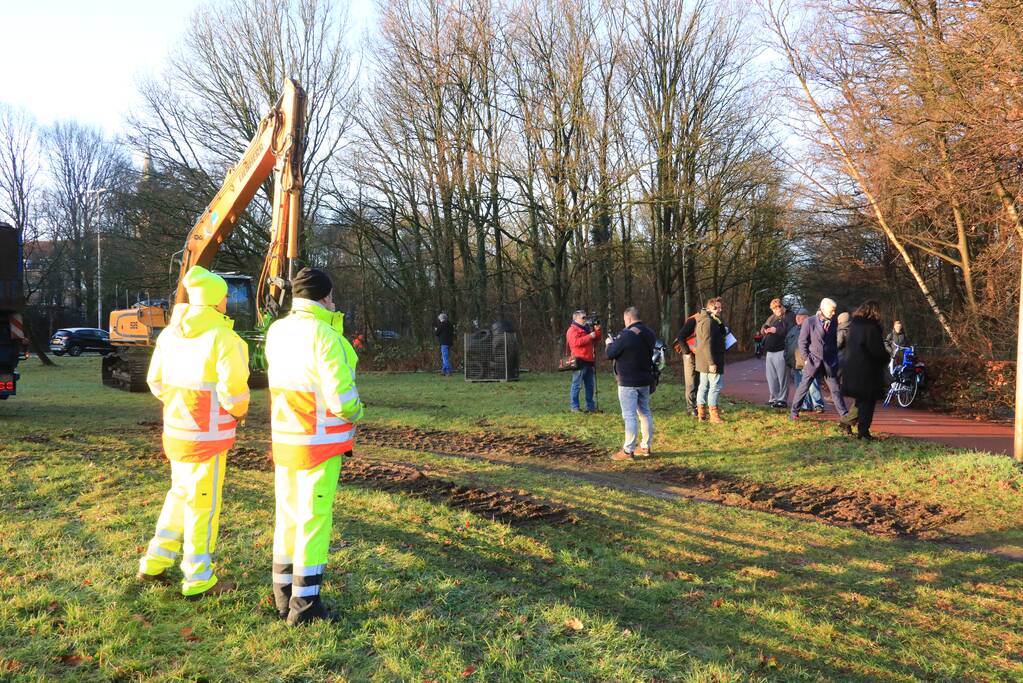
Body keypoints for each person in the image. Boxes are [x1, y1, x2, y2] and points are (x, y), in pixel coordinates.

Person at [138, 266, 250, 600]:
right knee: (203, 505)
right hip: (208, 438)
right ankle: (199, 578)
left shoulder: (170, 335)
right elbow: (235, 394)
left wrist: (180, 408)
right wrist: (237, 412)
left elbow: (155, 381)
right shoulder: (225, 339)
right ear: (218, 301)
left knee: (179, 495)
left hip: (177, 432)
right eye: (226, 296)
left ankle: (155, 562)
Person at [265, 267, 365, 625]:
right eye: (332, 295)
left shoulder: (276, 331)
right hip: (319, 445)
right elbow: (342, 400)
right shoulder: (326, 335)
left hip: (286, 440)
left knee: (287, 519)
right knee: (313, 522)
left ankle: (282, 598)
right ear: (324, 297)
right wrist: (358, 411)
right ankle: (305, 609)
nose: (334, 301)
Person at [605, 306, 656, 460]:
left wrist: (609, 343)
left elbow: (610, 353)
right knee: (645, 413)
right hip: (645, 379)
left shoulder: (626, 335)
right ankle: (645, 447)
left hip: (628, 381)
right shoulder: (650, 333)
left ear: (628, 319)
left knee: (629, 415)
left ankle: (628, 450)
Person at [790, 298, 852, 426]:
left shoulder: (834, 322)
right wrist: (806, 358)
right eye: (832, 311)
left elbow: (834, 342)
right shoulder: (809, 321)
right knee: (804, 387)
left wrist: (835, 358)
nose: (834, 313)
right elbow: (802, 342)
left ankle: (844, 415)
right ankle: (794, 411)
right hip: (813, 361)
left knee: (835, 389)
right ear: (822, 309)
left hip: (829, 362)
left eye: (834, 311)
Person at [841, 300, 889, 441]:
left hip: (852, 367)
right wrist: (886, 357)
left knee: (861, 400)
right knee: (868, 402)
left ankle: (847, 422)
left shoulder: (854, 325)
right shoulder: (871, 328)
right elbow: (877, 351)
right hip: (867, 370)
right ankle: (863, 432)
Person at [785, 308, 824, 413]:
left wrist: (810, 359)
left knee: (813, 385)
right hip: (796, 363)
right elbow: (787, 345)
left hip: (809, 362)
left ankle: (818, 405)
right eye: (797, 316)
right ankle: (806, 405)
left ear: (807, 318)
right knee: (800, 387)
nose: (797, 318)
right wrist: (787, 359)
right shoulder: (792, 330)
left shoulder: (812, 328)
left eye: (800, 316)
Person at [695, 297, 727, 424]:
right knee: (714, 387)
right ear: (709, 308)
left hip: (705, 360)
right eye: (716, 308)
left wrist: (720, 323)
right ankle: (713, 416)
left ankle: (702, 414)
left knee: (703, 386)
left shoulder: (709, 319)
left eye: (720, 307)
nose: (719, 309)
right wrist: (712, 363)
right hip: (711, 360)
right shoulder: (708, 321)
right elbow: (706, 343)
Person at [760, 298, 795, 408]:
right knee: (771, 377)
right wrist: (765, 329)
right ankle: (773, 398)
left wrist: (777, 330)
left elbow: (791, 331)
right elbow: (763, 328)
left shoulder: (789, 316)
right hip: (770, 351)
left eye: (778, 307)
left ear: (782, 306)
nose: (777, 310)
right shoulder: (772, 317)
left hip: (782, 350)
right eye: (774, 309)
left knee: (782, 376)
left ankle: (782, 399)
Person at [566, 310, 602, 412]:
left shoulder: (586, 328)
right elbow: (575, 343)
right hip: (579, 360)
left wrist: (597, 330)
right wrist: (589, 336)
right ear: (575, 318)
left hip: (589, 360)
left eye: (586, 317)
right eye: (583, 318)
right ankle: (574, 407)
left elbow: (597, 339)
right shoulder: (572, 330)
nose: (585, 319)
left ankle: (590, 407)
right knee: (577, 385)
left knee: (590, 386)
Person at [674, 311, 700, 417]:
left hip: (699, 354)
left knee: (698, 381)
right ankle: (691, 408)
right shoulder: (694, 320)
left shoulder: (711, 320)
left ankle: (698, 406)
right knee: (691, 381)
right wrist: (687, 353)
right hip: (690, 354)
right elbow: (680, 336)